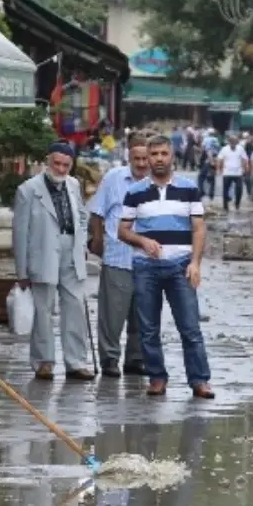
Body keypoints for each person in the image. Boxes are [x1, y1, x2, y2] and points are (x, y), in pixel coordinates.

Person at [118, 135, 213, 399]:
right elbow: (122, 231)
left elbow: (198, 228)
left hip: (180, 266)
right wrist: (141, 240)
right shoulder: (135, 192)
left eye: (163, 153)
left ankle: (199, 380)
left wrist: (195, 263)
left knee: (190, 327)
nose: (159, 159)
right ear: (147, 159)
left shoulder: (189, 189)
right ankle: (157, 378)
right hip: (146, 267)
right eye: (154, 154)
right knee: (148, 328)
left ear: (172, 156)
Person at [13, 141, 95, 380]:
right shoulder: (28, 189)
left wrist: (82, 241)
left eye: (66, 165)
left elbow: (81, 214)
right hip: (43, 252)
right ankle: (44, 361)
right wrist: (22, 272)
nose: (60, 169)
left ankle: (76, 361)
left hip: (71, 250)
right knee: (43, 309)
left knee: (75, 305)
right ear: (48, 162)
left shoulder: (73, 184)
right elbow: (20, 232)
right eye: (56, 164)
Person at [88, 131, 150, 378]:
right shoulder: (114, 178)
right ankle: (110, 359)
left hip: (147, 260)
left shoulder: (158, 182)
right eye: (137, 158)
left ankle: (135, 360)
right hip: (117, 257)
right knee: (112, 314)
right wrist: (97, 239)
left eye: (146, 158)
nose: (142, 164)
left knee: (142, 314)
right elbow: (97, 211)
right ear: (129, 157)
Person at [216, 133, 248, 212]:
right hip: (227, 172)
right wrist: (218, 169)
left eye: (235, 142)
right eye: (232, 142)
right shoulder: (224, 149)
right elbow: (219, 159)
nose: (233, 144)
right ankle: (225, 206)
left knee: (239, 189)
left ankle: (237, 204)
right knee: (225, 190)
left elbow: (244, 159)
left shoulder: (240, 149)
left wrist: (245, 168)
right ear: (229, 142)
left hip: (238, 173)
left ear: (236, 142)